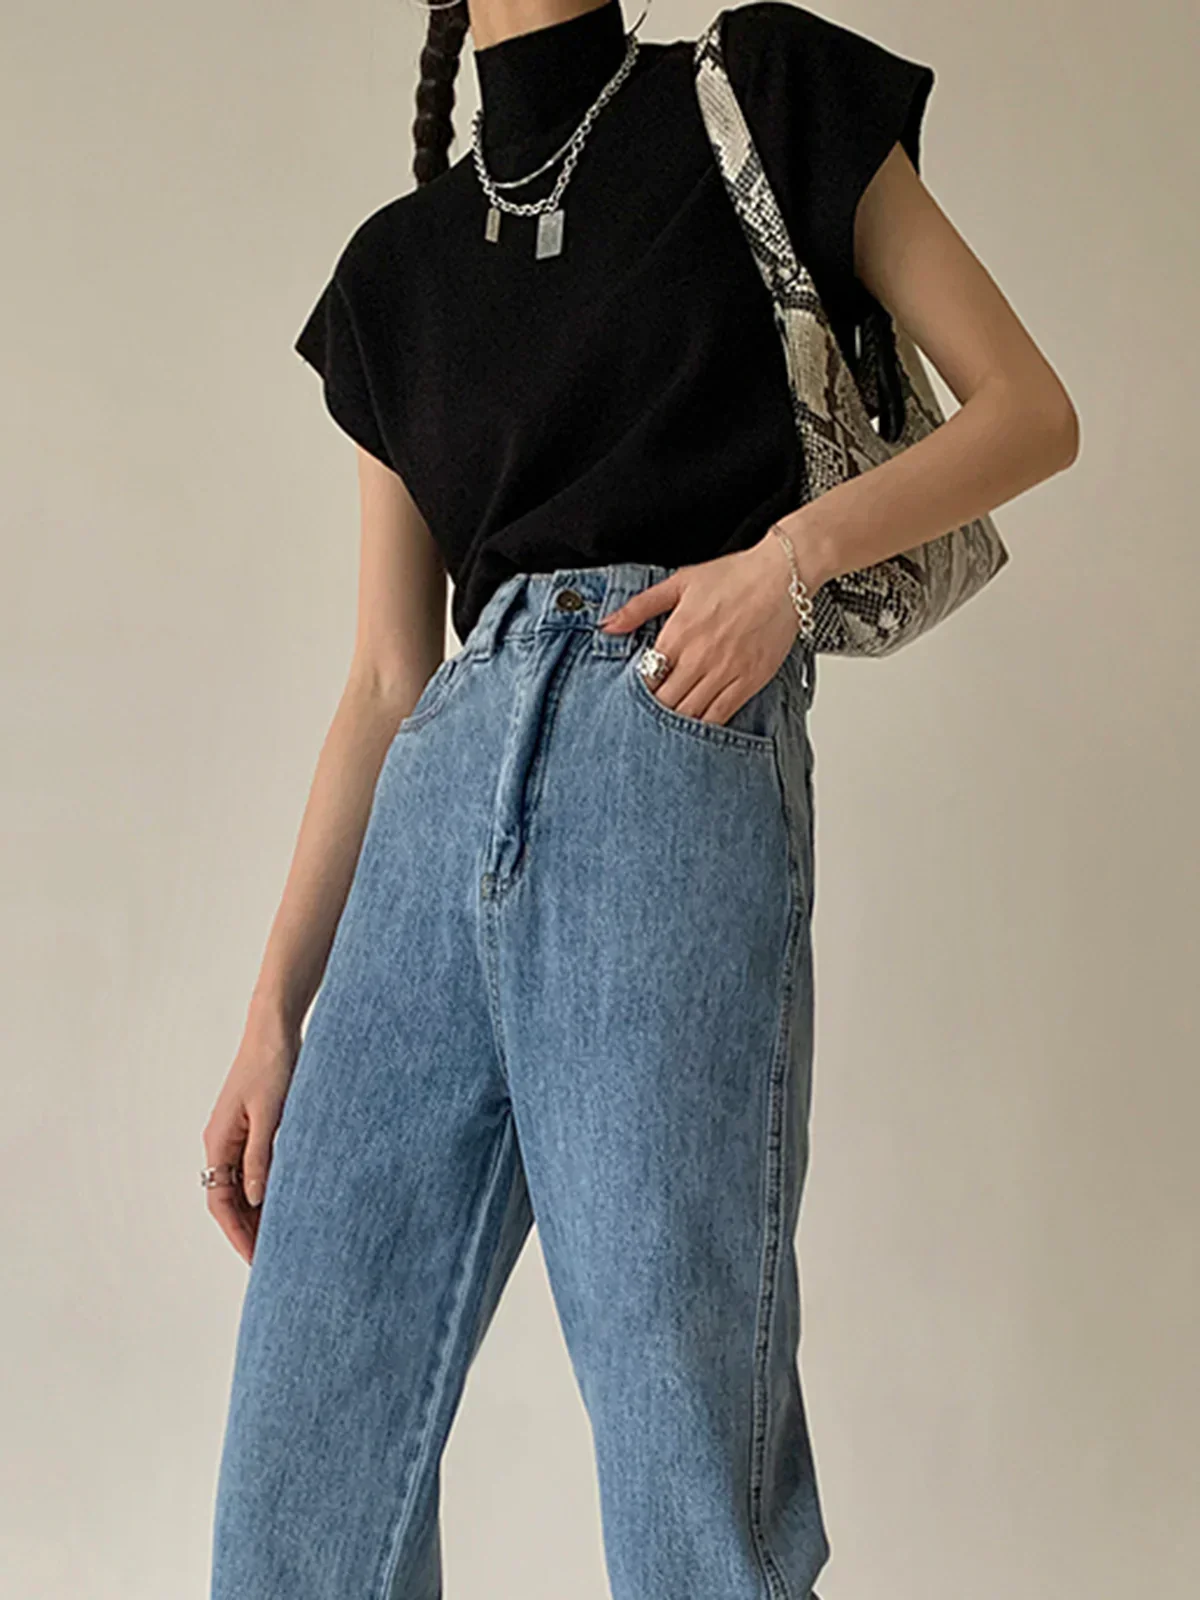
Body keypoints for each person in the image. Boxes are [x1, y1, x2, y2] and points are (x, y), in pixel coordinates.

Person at [203, 2, 1079, 1596]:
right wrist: (274, 1009)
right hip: (437, 804)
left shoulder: (759, 92)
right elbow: (388, 680)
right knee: (301, 1465)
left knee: (683, 1432)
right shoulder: (396, 270)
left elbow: (1030, 409)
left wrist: (785, 568)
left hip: (663, 746)